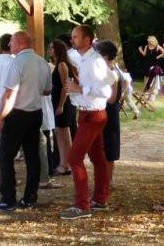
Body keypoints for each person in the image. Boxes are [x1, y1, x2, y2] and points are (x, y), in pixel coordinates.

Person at [0, 31, 51, 213]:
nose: (9, 45)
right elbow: (47, 91)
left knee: (6, 156)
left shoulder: (17, 63)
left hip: (17, 114)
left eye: (12, 42)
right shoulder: (42, 62)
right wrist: (32, 89)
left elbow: (9, 94)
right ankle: (30, 197)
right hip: (35, 113)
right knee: (33, 156)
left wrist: (0, 118)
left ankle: (8, 198)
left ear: (21, 43)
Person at [60, 25, 116, 220]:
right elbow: (110, 77)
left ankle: (82, 206)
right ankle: (100, 199)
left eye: (76, 37)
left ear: (87, 40)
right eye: (72, 36)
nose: (72, 39)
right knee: (98, 159)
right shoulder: (84, 58)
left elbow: (106, 91)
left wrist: (79, 89)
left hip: (93, 114)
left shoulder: (94, 62)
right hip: (87, 113)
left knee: (74, 159)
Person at [50, 38, 77, 175]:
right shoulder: (58, 64)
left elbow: (65, 87)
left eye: (52, 48)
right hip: (56, 101)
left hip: (63, 103)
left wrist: (60, 105)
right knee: (59, 134)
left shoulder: (62, 65)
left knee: (64, 135)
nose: (50, 50)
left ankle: (66, 164)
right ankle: (63, 162)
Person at [99, 42, 122, 188]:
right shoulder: (113, 70)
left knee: (109, 147)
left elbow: (112, 98)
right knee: (106, 147)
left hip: (109, 112)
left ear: (105, 56)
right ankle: (106, 180)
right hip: (109, 111)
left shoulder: (112, 72)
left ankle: (108, 180)